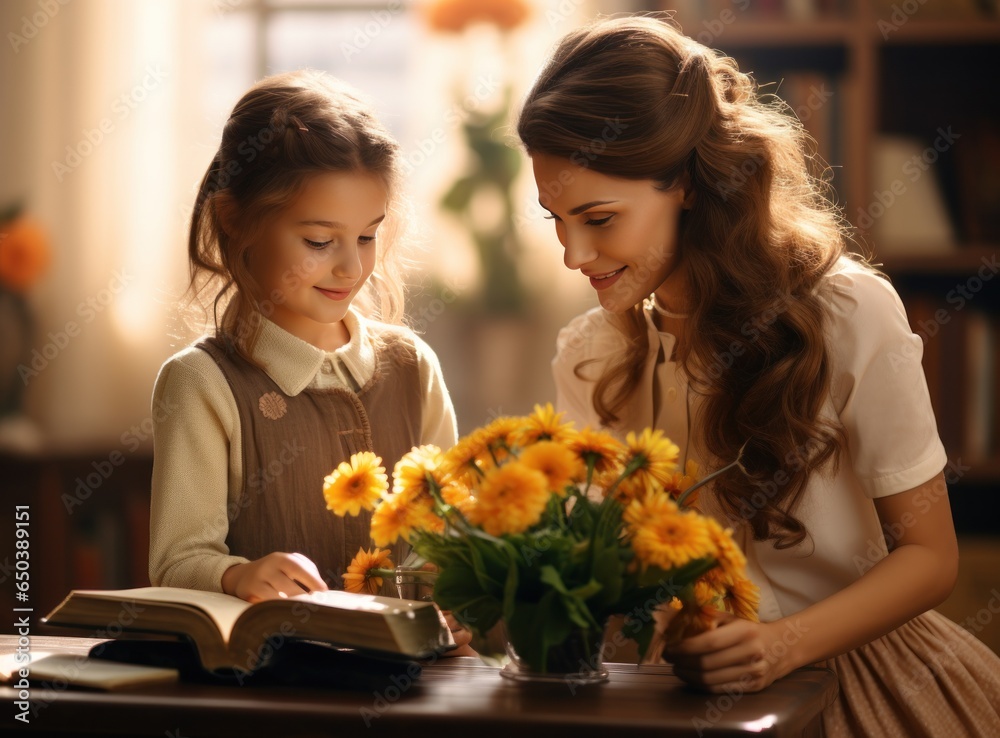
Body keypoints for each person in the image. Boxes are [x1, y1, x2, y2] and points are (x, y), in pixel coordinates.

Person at [517, 14, 1000, 736]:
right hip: (673, 690)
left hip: (854, 677)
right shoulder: (589, 355)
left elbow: (932, 561)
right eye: (554, 218)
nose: (572, 253)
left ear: (684, 183)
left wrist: (783, 645)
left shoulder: (849, 314)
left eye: (599, 217)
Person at [149, 70, 459, 611]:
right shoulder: (202, 382)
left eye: (367, 236)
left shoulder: (413, 366)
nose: (351, 266)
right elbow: (178, 561)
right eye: (319, 240)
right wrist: (237, 575)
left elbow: (453, 535)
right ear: (236, 219)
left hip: (412, 681)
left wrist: (456, 602)